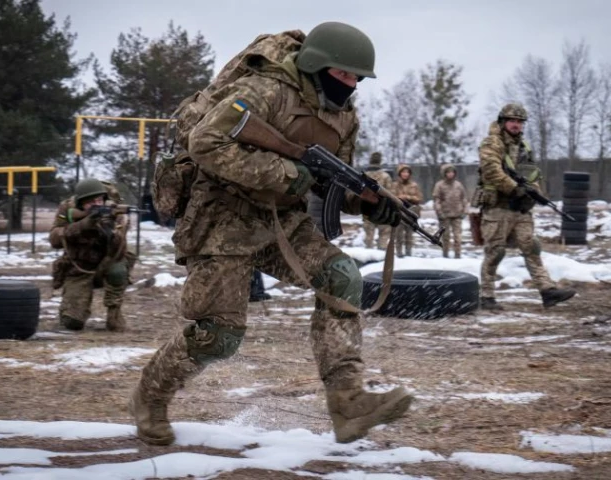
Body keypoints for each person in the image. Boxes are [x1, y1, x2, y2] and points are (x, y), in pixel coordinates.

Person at [130, 22, 412, 447]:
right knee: (220, 336)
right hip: (221, 218)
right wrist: (286, 173)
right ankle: (150, 398)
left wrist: (372, 202)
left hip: (283, 222)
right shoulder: (266, 91)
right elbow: (205, 142)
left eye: (358, 78)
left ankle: (348, 403)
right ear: (318, 65)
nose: (352, 85)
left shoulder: (343, 116)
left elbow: (330, 183)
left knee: (342, 277)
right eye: (344, 75)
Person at [476, 104, 575, 310]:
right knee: (495, 252)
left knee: (531, 248)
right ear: (503, 121)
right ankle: (486, 295)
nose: (516, 125)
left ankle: (547, 291)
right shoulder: (492, 143)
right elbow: (491, 170)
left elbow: (531, 173)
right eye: (512, 121)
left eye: (520, 122)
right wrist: (515, 189)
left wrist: (534, 193)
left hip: (520, 209)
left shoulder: (524, 147)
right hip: (497, 208)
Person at [48, 178, 136, 332]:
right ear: (81, 203)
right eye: (91, 202)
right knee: (71, 323)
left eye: (99, 200)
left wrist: (109, 230)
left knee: (118, 270)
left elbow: (119, 251)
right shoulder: (67, 209)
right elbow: (54, 239)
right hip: (78, 268)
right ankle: (74, 310)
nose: (97, 204)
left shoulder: (115, 212)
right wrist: (83, 225)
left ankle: (114, 312)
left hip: (106, 265)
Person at [432, 164, 468, 258]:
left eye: (452, 172)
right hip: (445, 215)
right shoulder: (439, 185)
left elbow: (464, 198)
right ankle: (445, 255)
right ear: (444, 173)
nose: (450, 174)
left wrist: (465, 210)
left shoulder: (458, 185)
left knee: (458, 237)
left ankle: (458, 255)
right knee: (445, 237)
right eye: (448, 172)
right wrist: (439, 212)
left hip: (457, 215)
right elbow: (437, 200)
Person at [362, 152, 393, 250]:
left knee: (368, 237)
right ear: (380, 161)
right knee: (383, 236)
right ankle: (381, 259)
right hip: (382, 210)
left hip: (366, 209)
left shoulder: (363, 176)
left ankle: (368, 259)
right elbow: (391, 195)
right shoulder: (386, 176)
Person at [392, 165, 423, 257]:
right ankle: (399, 254)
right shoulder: (395, 185)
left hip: (411, 212)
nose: (405, 174)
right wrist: (399, 198)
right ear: (399, 173)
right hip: (399, 212)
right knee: (399, 235)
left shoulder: (414, 185)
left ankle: (409, 253)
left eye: (407, 172)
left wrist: (408, 197)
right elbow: (391, 197)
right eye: (403, 172)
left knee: (409, 235)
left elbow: (419, 198)